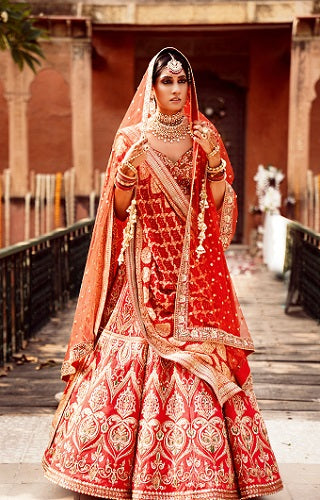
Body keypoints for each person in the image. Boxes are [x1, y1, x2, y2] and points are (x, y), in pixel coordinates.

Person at [42, 47, 283, 500]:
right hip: (144, 270)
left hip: (192, 274)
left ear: (189, 87)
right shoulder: (130, 139)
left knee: (200, 358)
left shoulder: (202, 135)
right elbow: (116, 213)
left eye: (181, 81)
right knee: (130, 351)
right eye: (166, 81)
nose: (175, 89)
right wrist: (127, 178)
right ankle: (107, 468)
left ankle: (200, 471)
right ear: (152, 88)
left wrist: (214, 163)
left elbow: (215, 211)